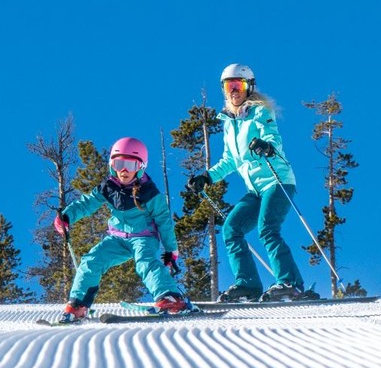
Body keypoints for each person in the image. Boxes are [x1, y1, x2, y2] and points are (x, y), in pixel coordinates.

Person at [185, 63, 319, 302]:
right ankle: (247, 284)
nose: (234, 90)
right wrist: (207, 177)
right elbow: (229, 160)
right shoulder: (229, 122)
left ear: (249, 87)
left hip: (277, 182)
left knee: (268, 228)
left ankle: (290, 283)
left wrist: (266, 146)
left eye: (239, 85)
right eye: (229, 86)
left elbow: (272, 137)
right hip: (255, 190)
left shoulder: (260, 111)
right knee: (231, 228)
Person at [49, 137, 192, 323]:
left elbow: (164, 222)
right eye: (119, 163)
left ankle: (171, 298)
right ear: (112, 165)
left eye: (130, 165)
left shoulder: (150, 193)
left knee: (145, 262)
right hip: (116, 239)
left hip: (143, 237)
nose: (124, 170)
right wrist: (66, 216)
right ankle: (78, 305)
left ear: (141, 167)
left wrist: (171, 250)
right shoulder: (108, 187)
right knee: (91, 261)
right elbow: (87, 203)